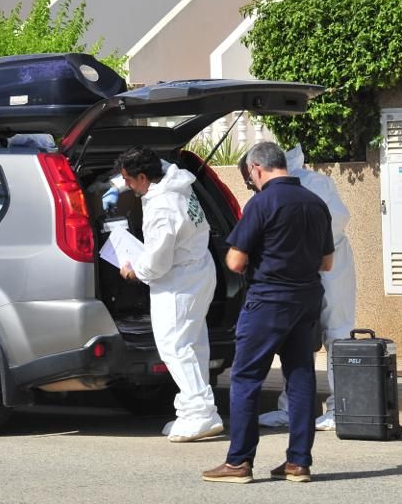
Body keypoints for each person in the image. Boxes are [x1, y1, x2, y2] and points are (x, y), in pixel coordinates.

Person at [202, 142, 334, 483]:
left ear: (257, 169)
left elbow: (234, 260)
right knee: (301, 377)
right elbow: (328, 262)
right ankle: (298, 462)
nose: (251, 181)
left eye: (249, 176)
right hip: (306, 300)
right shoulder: (316, 203)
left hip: (268, 301)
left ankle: (239, 462)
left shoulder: (262, 202)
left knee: (246, 378)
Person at [114, 146, 224, 443]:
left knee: (175, 346)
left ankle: (201, 413)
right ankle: (192, 408)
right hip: (198, 271)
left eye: (128, 180)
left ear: (142, 177)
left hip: (178, 281)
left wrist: (133, 269)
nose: (125, 185)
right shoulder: (177, 184)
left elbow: (158, 261)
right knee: (194, 343)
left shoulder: (162, 206)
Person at [257, 145, 357, 432]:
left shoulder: (314, 183)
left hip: (331, 265)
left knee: (337, 332)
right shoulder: (286, 188)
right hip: (306, 266)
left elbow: (336, 221)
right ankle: (293, 410)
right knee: (298, 337)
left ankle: (342, 408)